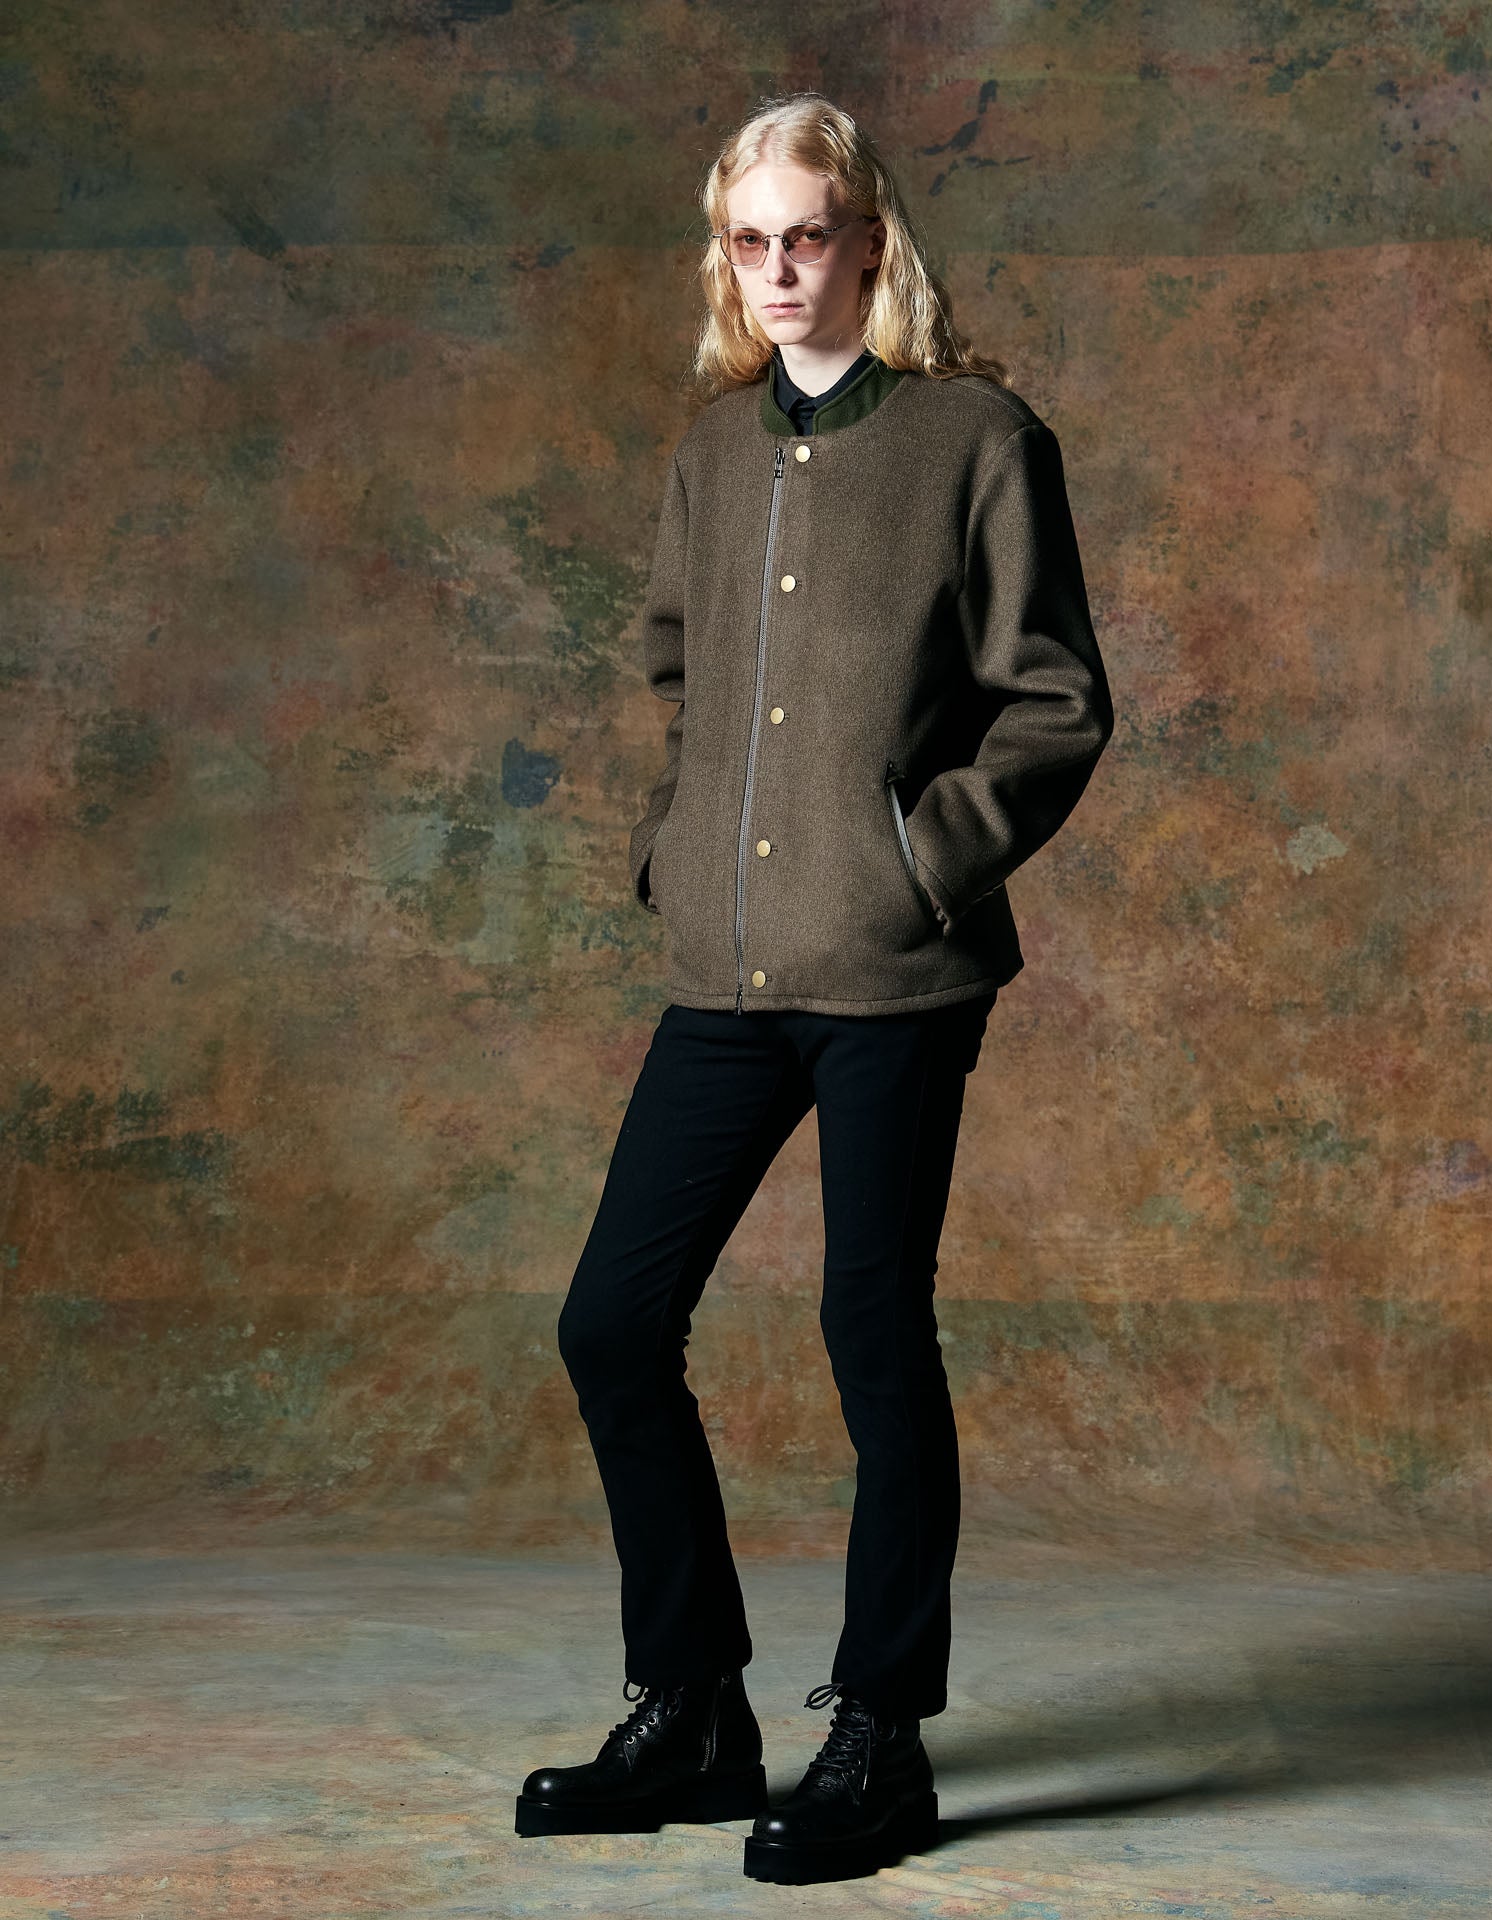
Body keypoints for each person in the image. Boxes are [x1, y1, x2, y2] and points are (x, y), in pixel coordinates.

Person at [514, 91, 1114, 1887]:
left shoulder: (977, 439)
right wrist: (670, 845)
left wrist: (923, 859)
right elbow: (684, 680)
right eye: (748, 243)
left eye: (807, 237)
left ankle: (882, 1731)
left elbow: (1057, 702)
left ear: (869, 244)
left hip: (897, 972)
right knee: (613, 1323)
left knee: (871, 1328)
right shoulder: (714, 453)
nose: (778, 272)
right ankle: (695, 1708)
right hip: (726, 961)